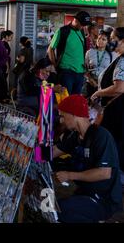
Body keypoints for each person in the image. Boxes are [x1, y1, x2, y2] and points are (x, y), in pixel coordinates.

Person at [53, 95, 122, 223]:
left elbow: (104, 173)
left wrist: (70, 175)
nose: (61, 120)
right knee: (56, 208)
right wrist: (29, 151)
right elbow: (55, 151)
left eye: (63, 115)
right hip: (86, 191)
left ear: (73, 114)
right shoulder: (76, 136)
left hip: (102, 199)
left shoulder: (101, 136)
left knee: (59, 213)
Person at [92, 27, 124, 171]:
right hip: (116, 112)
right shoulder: (119, 58)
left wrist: (99, 93)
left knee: (114, 146)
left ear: (122, 41)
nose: (110, 42)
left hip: (117, 113)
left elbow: (119, 88)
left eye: (113, 39)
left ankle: (112, 178)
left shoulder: (122, 61)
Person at [48, 11, 91, 95]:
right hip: (66, 72)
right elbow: (50, 49)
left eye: (85, 25)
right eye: (82, 24)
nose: (83, 26)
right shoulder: (63, 31)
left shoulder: (81, 32)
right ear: (75, 20)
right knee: (65, 99)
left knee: (75, 100)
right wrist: (54, 65)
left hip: (80, 72)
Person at [85, 31, 115, 97]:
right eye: (99, 38)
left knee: (100, 105)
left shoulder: (112, 55)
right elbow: (85, 68)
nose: (100, 40)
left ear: (107, 42)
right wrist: (91, 80)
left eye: (103, 39)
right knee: (90, 103)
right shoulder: (89, 52)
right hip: (91, 83)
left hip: (104, 85)